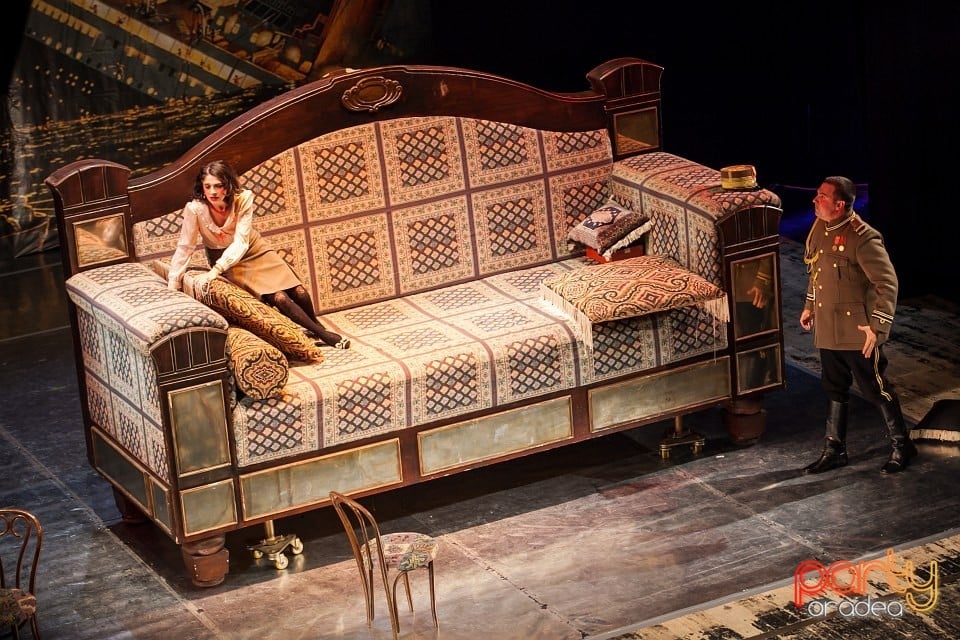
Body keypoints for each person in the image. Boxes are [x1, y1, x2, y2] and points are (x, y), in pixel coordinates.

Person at [166, 160, 350, 349]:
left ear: (227, 185)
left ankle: (317, 329)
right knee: (279, 298)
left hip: (254, 249)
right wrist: (174, 284)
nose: (212, 192)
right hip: (227, 260)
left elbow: (241, 241)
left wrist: (215, 271)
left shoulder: (243, 199)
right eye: (207, 186)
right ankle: (326, 336)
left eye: (218, 186)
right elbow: (185, 247)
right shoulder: (195, 209)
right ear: (202, 187)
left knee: (299, 291)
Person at [799, 176, 913, 474]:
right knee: (834, 387)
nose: (815, 200)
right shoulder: (820, 227)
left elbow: (887, 283)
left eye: (822, 197)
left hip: (857, 331)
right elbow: (816, 270)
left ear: (839, 205)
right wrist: (810, 305)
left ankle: (903, 445)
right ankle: (834, 449)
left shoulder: (862, 237)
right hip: (828, 325)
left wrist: (877, 327)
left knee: (874, 388)